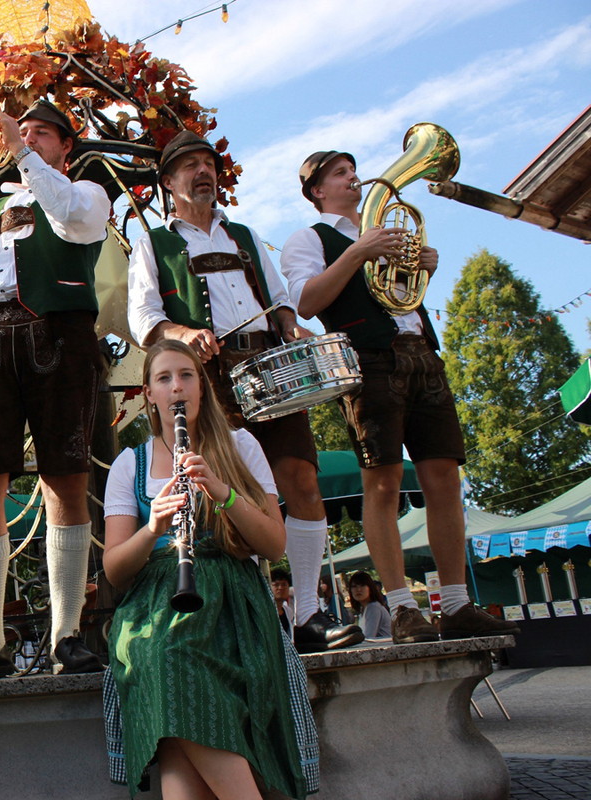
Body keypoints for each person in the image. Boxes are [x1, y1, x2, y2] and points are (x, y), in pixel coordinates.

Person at [128, 130, 362, 655]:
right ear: (168, 182)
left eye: (207, 163)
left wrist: (290, 324)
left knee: (300, 476)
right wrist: (184, 335)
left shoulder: (246, 236)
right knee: (221, 491)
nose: (202, 172)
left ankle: (307, 613)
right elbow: (143, 318)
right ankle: (242, 611)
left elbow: (280, 300)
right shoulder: (154, 244)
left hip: (267, 369)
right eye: (188, 165)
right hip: (205, 378)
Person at [283, 149, 521, 643]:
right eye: (340, 175)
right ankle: (401, 607)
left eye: (352, 171)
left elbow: (401, 297)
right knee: (384, 483)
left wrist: (422, 267)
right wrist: (356, 253)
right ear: (316, 191)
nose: (354, 179)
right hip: (368, 359)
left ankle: (455, 603)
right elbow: (305, 301)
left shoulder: (386, 232)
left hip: (421, 353)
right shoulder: (310, 238)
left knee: (443, 478)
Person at [0, 98, 111, 681]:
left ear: (65, 146)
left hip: (60, 338)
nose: (24, 138)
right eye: (21, 131)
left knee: (66, 478)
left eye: (40, 134)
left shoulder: (86, 194)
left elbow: (68, 218)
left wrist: (21, 152)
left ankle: (67, 636)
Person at [103, 340, 314, 799]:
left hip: (233, 602)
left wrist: (222, 491)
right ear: (150, 395)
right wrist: (153, 527)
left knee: (173, 686)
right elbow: (115, 570)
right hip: (156, 604)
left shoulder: (240, 446)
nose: (176, 387)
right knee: (165, 654)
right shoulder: (128, 464)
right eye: (164, 378)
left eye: (186, 375)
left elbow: (274, 544)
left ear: (202, 386)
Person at [347, 571, 393, 639]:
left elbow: (369, 637)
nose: (358, 589)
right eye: (354, 586)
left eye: (362, 585)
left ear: (370, 588)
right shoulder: (363, 609)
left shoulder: (373, 607)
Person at [270, 568, 293, 636]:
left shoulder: (289, 612)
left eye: (284, 584)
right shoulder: (267, 611)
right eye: (276, 585)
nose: (280, 588)